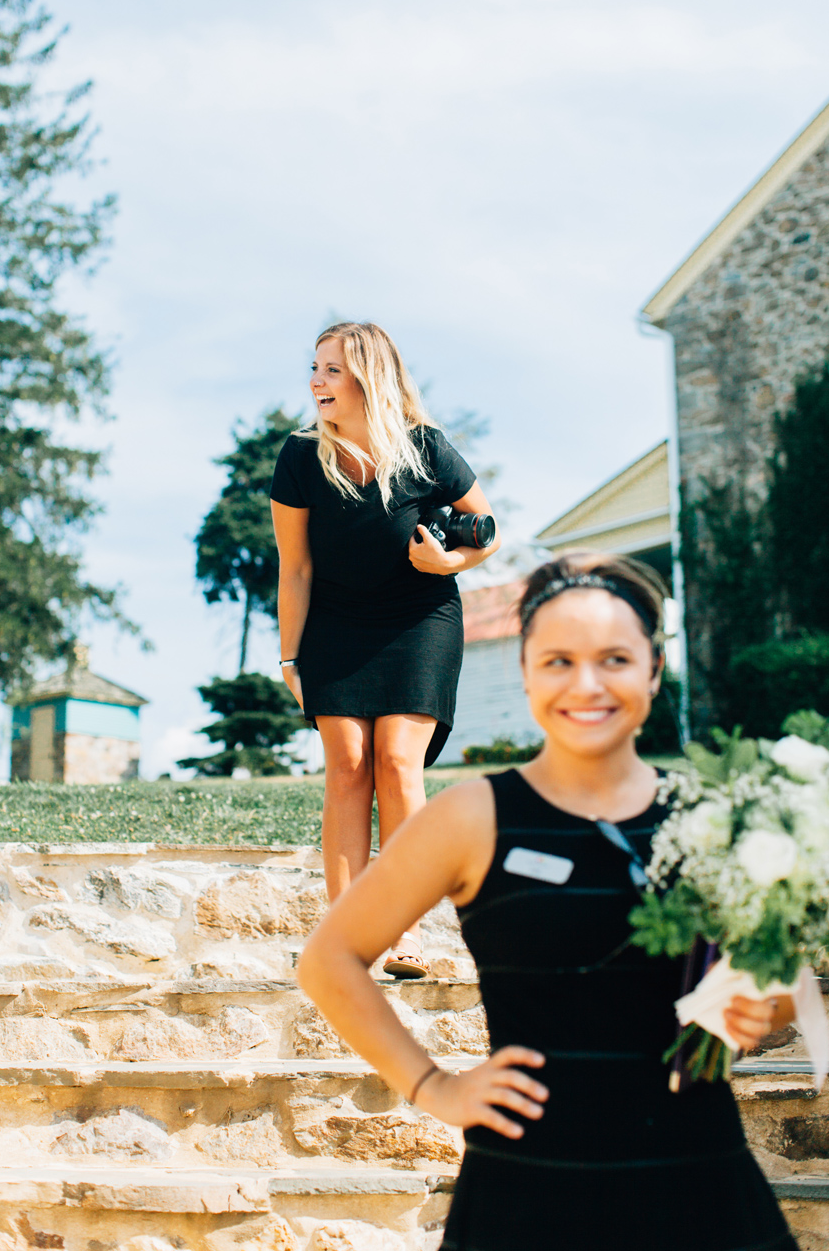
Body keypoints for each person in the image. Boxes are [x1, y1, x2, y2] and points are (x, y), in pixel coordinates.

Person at [297, 550, 798, 1250]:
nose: (586, 683)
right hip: (530, 1194)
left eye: (615, 660)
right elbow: (328, 961)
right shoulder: (473, 816)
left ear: (654, 669)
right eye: (558, 661)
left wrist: (759, 1005)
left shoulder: (712, 814)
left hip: (698, 1184)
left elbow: (772, 981)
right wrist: (435, 1087)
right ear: (527, 673)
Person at [270, 321, 500, 979]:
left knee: (398, 761)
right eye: (314, 367)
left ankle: (403, 929)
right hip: (336, 622)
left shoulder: (425, 447)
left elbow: (490, 533)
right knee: (347, 764)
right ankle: (350, 935)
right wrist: (290, 659)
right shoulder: (299, 456)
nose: (316, 380)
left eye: (332, 369)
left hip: (419, 614)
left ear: (369, 375)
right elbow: (296, 569)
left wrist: (446, 560)